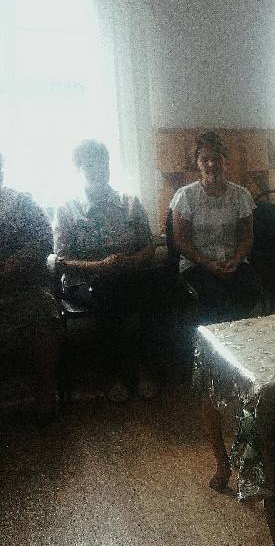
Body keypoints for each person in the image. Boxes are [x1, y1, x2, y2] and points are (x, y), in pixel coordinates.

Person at [53, 139, 160, 404]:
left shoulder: (130, 203)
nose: (98, 170)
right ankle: (118, 373)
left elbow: (149, 245)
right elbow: (61, 260)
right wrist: (99, 266)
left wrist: (133, 260)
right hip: (84, 282)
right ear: (79, 169)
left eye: (102, 164)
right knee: (109, 291)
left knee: (157, 287)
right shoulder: (67, 209)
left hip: (127, 274)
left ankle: (143, 366)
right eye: (90, 165)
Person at [170, 131, 261, 322]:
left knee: (250, 289)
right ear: (198, 163)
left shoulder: (241, 195)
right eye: (205, 159)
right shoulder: (186, 196)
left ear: (225, 161)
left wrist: (236, 260)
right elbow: (180, 241)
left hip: (233, 263)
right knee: (214, 296)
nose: (211, 164)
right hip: (197, 265)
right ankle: (216, 338)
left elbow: (247, 237)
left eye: (216, 158)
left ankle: (239, 336)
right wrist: (208, 264)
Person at [0, 152, 60, 418]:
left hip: (21, 289)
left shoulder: (20, 203)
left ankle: (45, 393)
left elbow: (44, 240)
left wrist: (13, 264)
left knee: (43, 307)